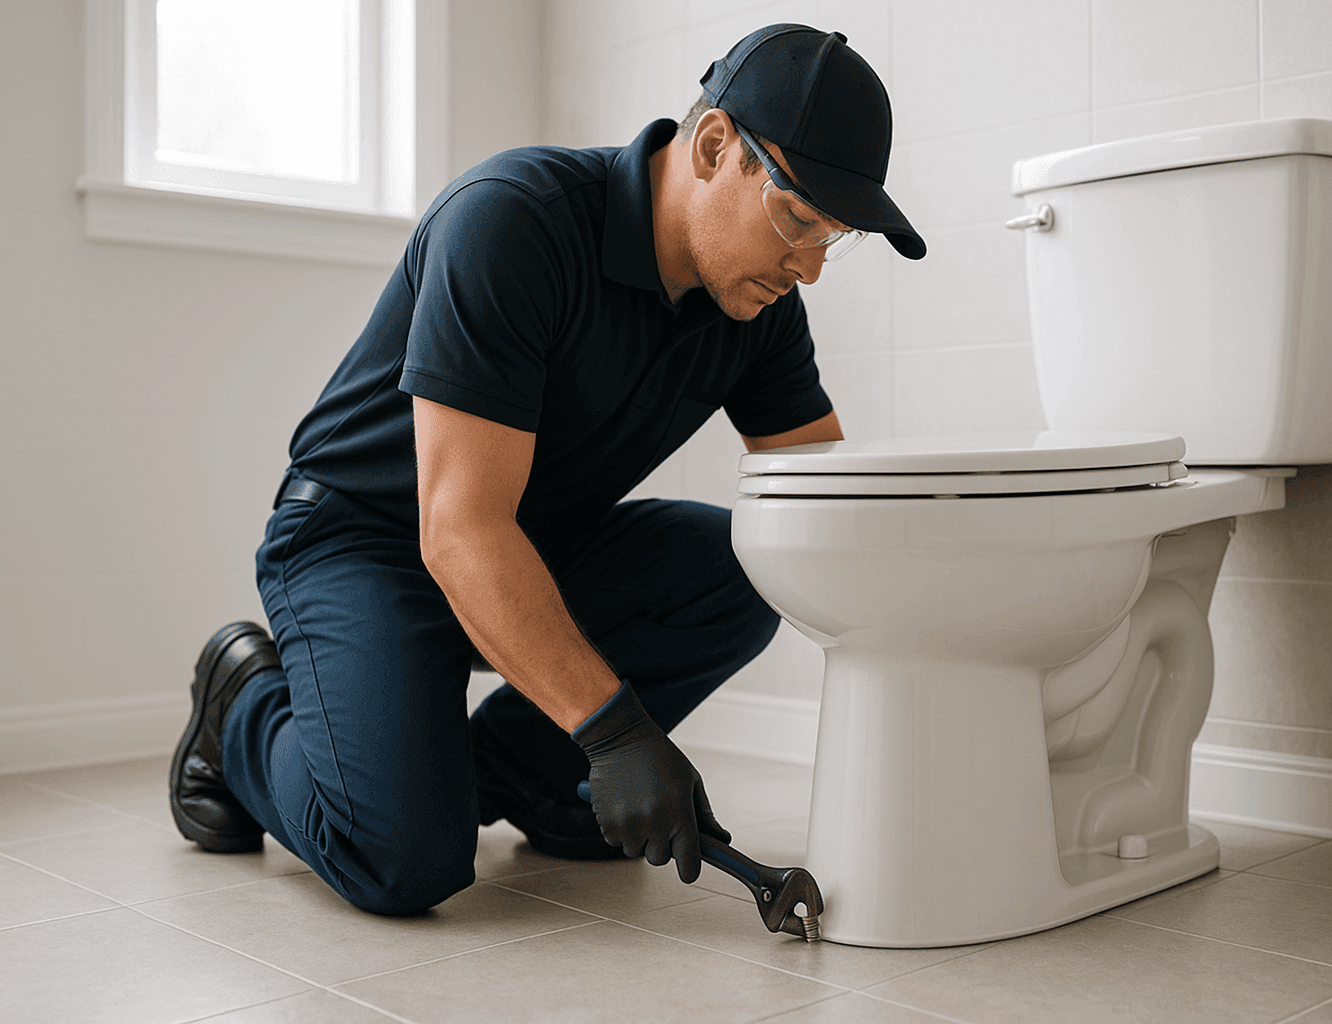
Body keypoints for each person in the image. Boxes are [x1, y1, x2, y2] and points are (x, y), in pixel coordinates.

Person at [168, 23, 926, 916]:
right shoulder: (512, 220)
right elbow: (458, 529)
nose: (810, 267)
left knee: (749, 564)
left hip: (533, 539)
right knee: (404, 858)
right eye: (799, 218)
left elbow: (818, 506)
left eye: (832, 237)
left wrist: (920, 655)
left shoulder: (756, 309)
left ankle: (521, 783)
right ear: (716, 146)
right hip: (363, 541)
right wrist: (615, 734)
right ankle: (240, 706)